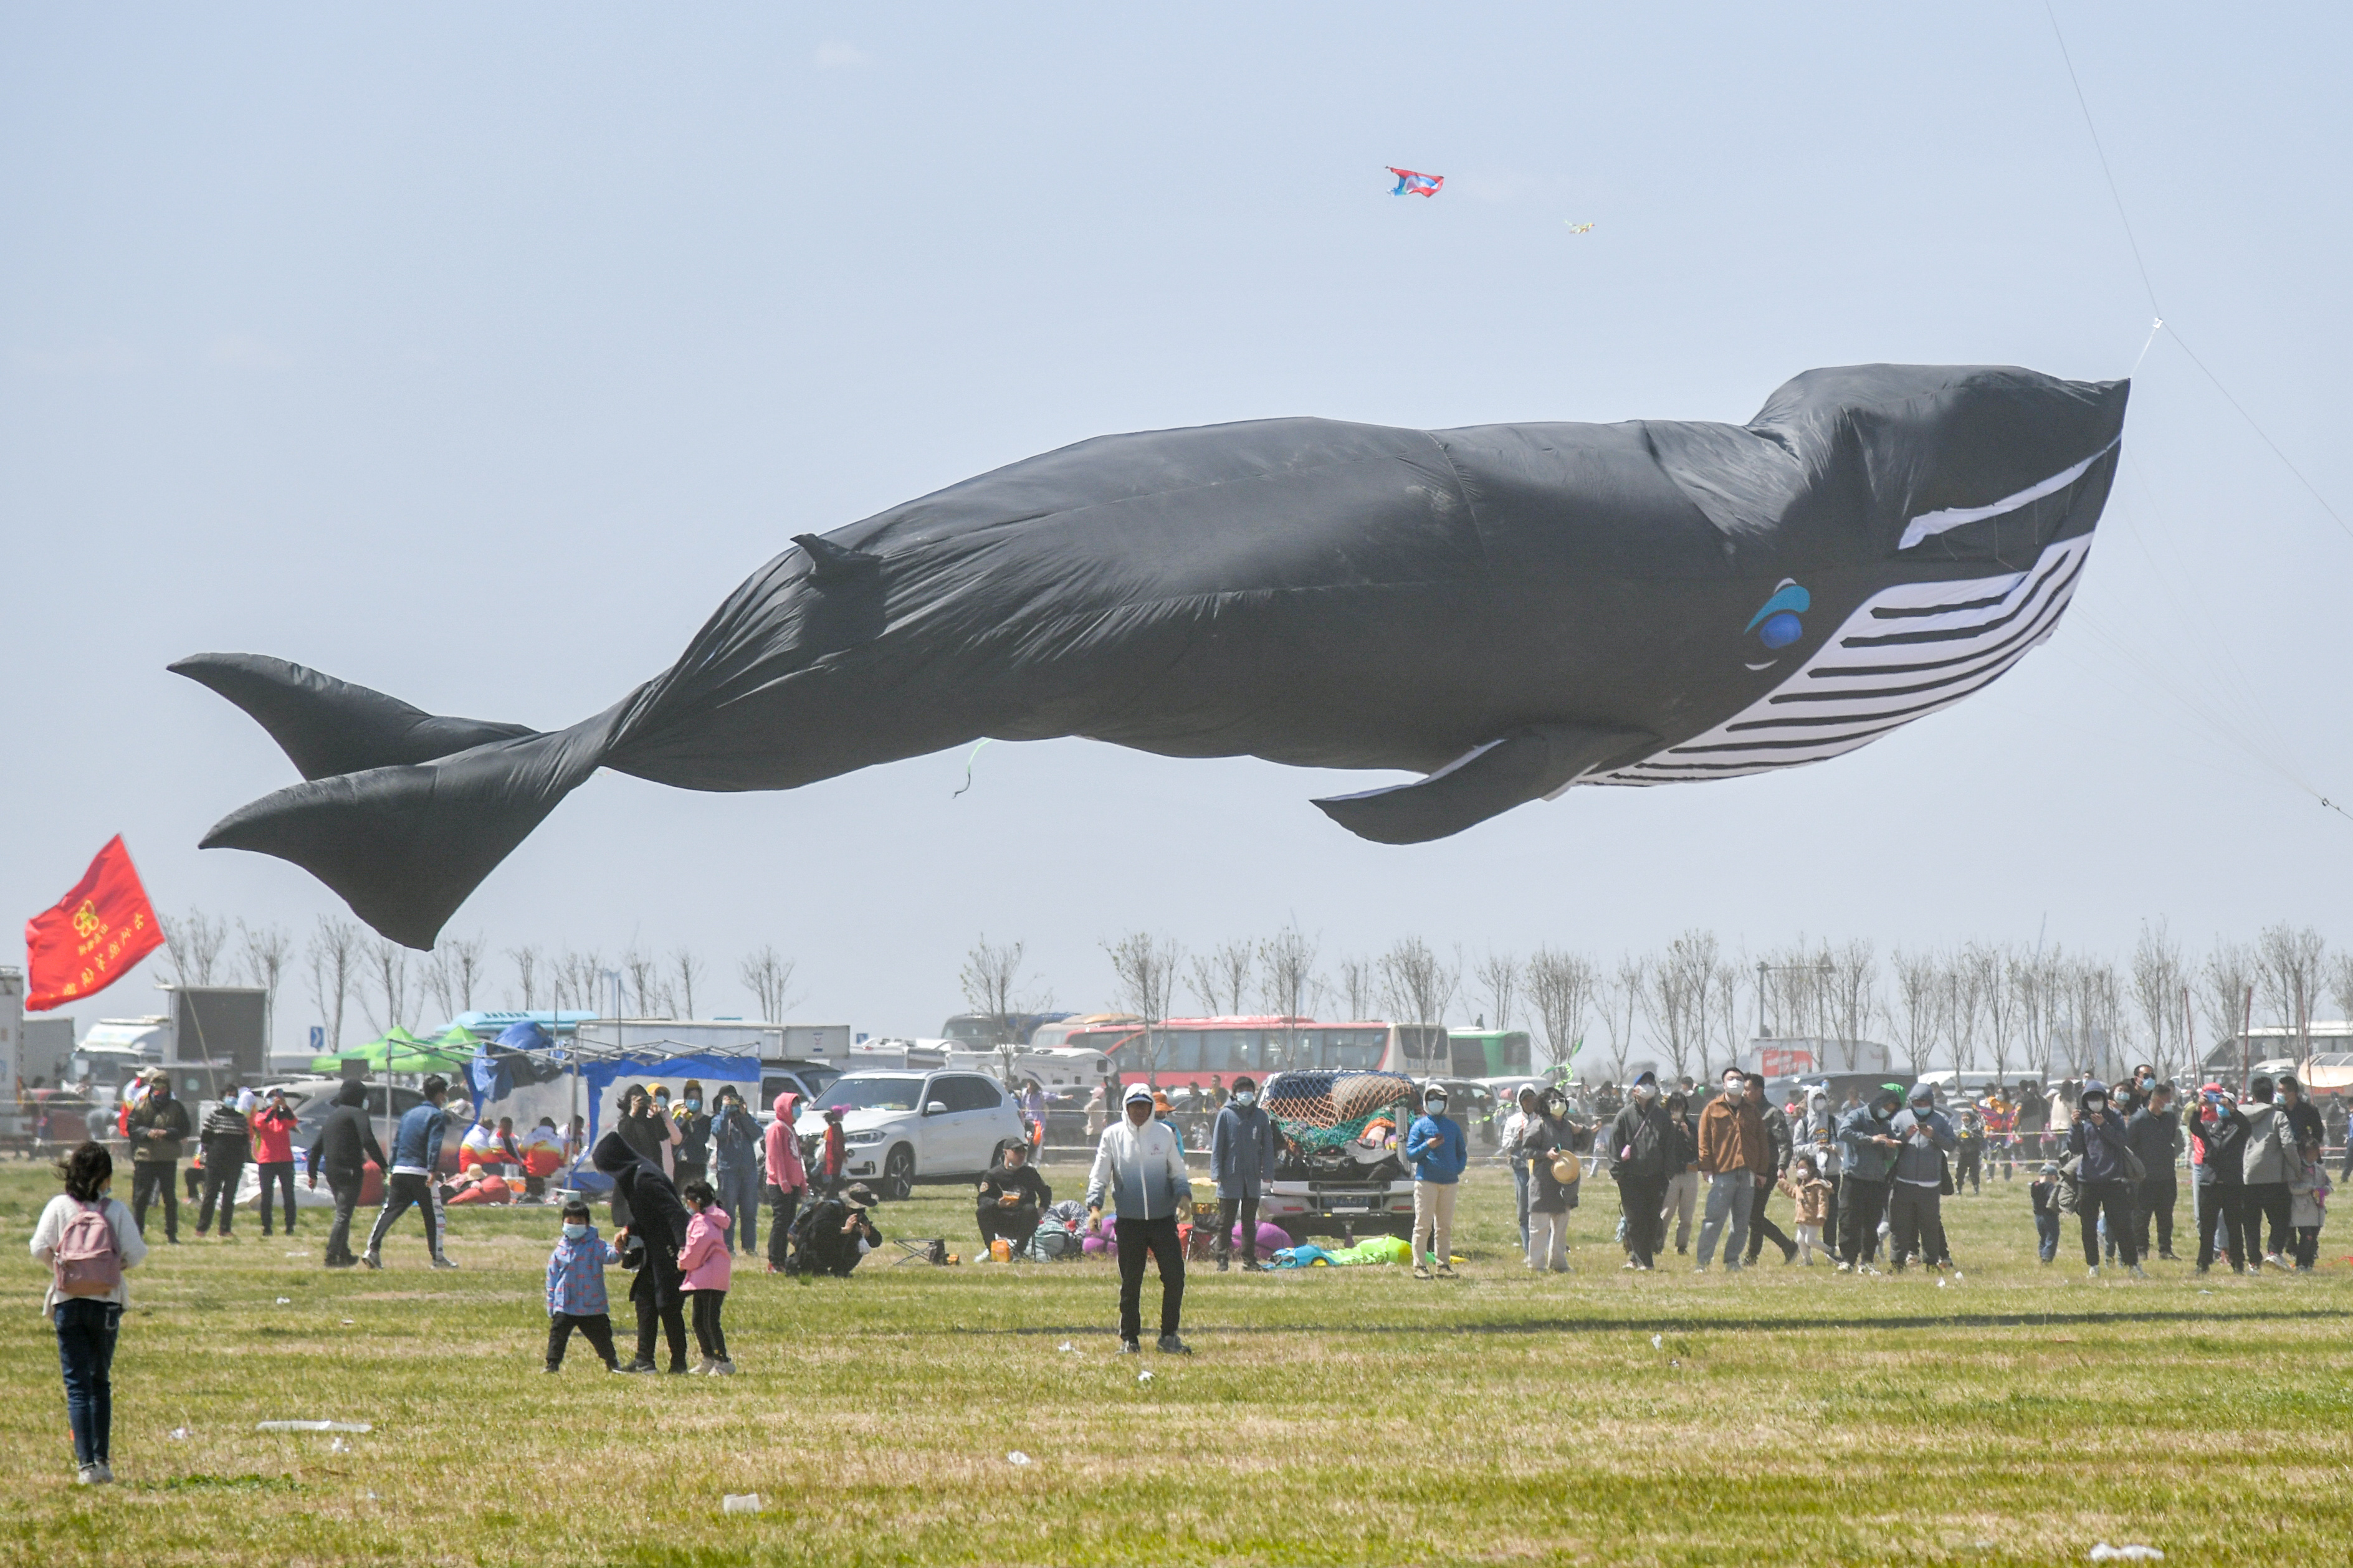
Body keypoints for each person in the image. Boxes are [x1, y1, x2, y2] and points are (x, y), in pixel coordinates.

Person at [31, 1142, 147, 1485]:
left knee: (77, 1384)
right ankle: (103, 1460)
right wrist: (114, 1265)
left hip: (68, 1301)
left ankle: (85, 1466)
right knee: (100, 1381)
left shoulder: (59, 1207)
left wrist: (60, 1267)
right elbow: (137, 1253)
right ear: (104, 1177)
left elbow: (39, 1246)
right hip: (107, 1302)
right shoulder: (116, 1211)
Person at [1086, 1082, 1193, 1352]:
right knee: (1131, 1281)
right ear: (1126, 1107)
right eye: (1134, 1106)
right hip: (1130, 1221)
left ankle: (1169, 1336)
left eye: (1144, 1106)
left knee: (1175, 1277)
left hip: (1163, 1220)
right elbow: (1099, 1175)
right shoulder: (1112, 1136)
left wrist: (1184, 1197)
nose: (1139, 1111)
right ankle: (1129, 1340)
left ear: (1151, 1108)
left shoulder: (1165, 1134)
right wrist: (1095, 1208)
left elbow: (1178, 1172)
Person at [591, 1128, 692, 1373]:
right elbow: (649, 1212)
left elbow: (675, 1213)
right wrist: (629, 1228)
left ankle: (679, 1363)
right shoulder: (636, 1175)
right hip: (653, 1248)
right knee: (645, 1300)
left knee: (667, 1304)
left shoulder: (644, 1177)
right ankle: (644, 1360)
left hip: (668, 1249)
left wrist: (682, 1249)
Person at [363, 1073, 456, 1270]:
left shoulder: (408, 1115)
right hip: (421, 1172)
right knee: (434, 1215)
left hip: (400, 1170)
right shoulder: (437, 1115)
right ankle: (438, 1258)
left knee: (390, 1211)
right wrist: (432, 1169)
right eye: (445, 1093)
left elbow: (397, 1143)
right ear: (440, 1095)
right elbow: (434, 1144)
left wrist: (391, 1167)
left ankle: (372, 1249)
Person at [305, 1080, 385, 1267]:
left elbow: (316, 1148)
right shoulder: (358, 1113)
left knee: (344, 1212)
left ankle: (344, 1253)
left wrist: (312, 1173)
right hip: (350, 1170)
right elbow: (368, 1139)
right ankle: (331, 1256)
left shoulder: (332, 1117)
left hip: (332, 1171)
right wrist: (383, 1165)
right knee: (343, 1215)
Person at [2069, 1079, 2143, 1278]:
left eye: (2098, 1099)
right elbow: (2075, 1148)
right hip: (2088, 1180)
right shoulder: (2083, 1121)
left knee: (2122, 1225)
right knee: (2088, 1227)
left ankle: (2132, 1264)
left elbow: (2121, 1141)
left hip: (2113, 1180)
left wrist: (2103, 1126)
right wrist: (2075, 1126)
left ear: (2104, 1099)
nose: (2095, 1103)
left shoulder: (2115, 1117)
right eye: (2090, 1099)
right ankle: (2093, 1264)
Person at [1692, 1069, 1762, 1272]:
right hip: (1723, 1172)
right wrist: (1705, 1167)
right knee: (1713, 1219)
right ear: (1724, 1084)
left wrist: (1762, 1171)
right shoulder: (1712, 1109)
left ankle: (1732, 1260)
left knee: (1741, 1223)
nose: (1736, 1082)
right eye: (1731, 1079)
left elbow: (1761, 1142)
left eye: (1740, 1079)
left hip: (1747, 1172)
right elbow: (1703, 1140)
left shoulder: (1752, 1111)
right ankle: (1702, 1263)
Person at [543, 1199, 621, 1373]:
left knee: (602, 1336)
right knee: (558, 1335)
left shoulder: (596, 1245)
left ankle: (612, 1361)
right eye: (570, 1222)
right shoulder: (560, 1249)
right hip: (565, 1303)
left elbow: (611, 1257)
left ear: (587, 1224)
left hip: (591, 1304)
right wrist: (552, 1304)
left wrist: (619, 1248)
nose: (574, 1226)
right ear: (563, 1223)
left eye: (579, 1223)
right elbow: (552, 1278)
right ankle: (553, 1363)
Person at [1208, 1075, 1276, 1271]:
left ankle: (1249, 1259)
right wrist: (1216, 1172)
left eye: (1249, 1090)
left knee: (1249, 1222)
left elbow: (1268, 1147)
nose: (1245, 1093)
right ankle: (1222, 1258)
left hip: (1252, 1177)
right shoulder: (1226, 1114)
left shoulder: (1261, 1116)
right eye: (1241, 1090)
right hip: (1230, 1176)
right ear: (1234, 1093)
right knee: (1226, 1221)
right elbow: (1217, 1146)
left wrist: (1268, 1172)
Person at [1835, 1085, 1905, 1274]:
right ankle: (1847, 1260)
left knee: (1871, 1223)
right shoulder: (1858, 1116)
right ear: (1879, 1102)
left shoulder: (1886, 1125)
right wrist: (1870, 1139)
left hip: (1876, 1180)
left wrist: (1891, 1147)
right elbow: (1844, 1133)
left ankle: (1867, 1261)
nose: (1887, 1112)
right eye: (1886, 1107)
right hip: (1854, 1177)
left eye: (1891, 1110)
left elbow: (1889, 1156)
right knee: (1849, 1220)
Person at [1886, 1082, 1956, 1273]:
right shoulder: (1900, 1118)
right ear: (1911, 1102)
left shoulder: (1941, 1120)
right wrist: (1905, 1136)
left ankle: (1932, 1262)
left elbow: (1951, 1145)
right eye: (1917, 1102)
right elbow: (1889, 1143)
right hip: (1903, 1181)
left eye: (1925, 1102)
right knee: (1899, 1225)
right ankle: (1897, 1262)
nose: (1921, 1105)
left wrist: (1935, 1136)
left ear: (1932, 1102)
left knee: (1930, 1225)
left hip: (1930, 1183)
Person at [1608, 1071, 1674, 1271]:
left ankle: (1637, 1258)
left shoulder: (1662, 1117)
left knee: (1652, 1219)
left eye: (1651, 1083)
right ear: (1635, 1090)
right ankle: (1646, 1262)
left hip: (1656, 1177)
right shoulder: (1624, 1116)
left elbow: (1670, 1146)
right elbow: (1615, 1146)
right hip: (1631, 1178)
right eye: (1644, 1083)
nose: (1648, 1086)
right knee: (1635, 1220)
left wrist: (1668, 1173)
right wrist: (1618, 1173)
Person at [1405, 1083, 1468, 1280]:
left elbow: (1462, 1152)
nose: (1436, 1103)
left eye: (1440, 1099)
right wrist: (1427, 1145)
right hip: (1426, 1182)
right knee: (1423, 1225)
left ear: (1446, 1103)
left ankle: (1443, 1265)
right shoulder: (1420, 1126)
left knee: (1444, 1227)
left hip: (1449, 1183)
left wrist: (1457, 1169)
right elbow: (1411, 1154)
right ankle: (1419, 1266)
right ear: (1425, 1102)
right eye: (1431, 1099)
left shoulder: (1452, 1127)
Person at [675, 1178, 735, 1375]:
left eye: (689, 1200)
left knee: (709, 1321)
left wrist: (683, 1262)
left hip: (709, 1277)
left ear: (698, 1201)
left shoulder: (704, 1222)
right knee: (699, 1320)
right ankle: (709, 1357)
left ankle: (722, 1360)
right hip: (707, 1277)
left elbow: (697, 1247)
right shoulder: (710, 1218)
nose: (688, 1204)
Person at [2190, 1085, 2251, 1274]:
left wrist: (2232, 1110)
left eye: (2225, 1102)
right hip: (2211, 1183)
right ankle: (2204, 1262)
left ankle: (2238, 1262)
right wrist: (2197, 1109)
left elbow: (2247, 1127)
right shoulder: (2210, 1126)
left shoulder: (2238, 1129)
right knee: (2207, 1227)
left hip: (2232, 1183)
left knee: (2234, 1226)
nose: (2221, 1105)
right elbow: (2195, 1127)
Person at [125, 1070, 190, 1242]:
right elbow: (132, 1128)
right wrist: (148, 1133)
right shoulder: (142, 1106)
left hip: (167, 1158)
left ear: (167, 1088)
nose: (158, 1091)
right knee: (141, 1198)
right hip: (146, 1157)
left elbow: (184, 1129)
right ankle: (137, 1234)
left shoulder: (176, 1107)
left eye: (161, 1087)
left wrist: (167, 1133)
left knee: (169, 1198)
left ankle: (172, 1234)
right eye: (155, 1087)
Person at [1741, 1071, 1799, 1266]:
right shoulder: (1744, 1111)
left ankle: (1786, 1246)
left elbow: (1785, 1144)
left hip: (1768, 1169)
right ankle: (1753, 1256)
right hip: (1749, 1168)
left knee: (1753, 1214)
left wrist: (1782, 1167)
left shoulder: (1772, 1114)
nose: (1744, 1093)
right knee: (1754, 1215)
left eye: (1748, 1089)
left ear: (1759, 1091)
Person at [2238, 1076, 2295, 1270]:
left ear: (2252, 1096)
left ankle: (2254, 1262)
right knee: (2281, 1218)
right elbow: (2288, 1145)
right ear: (2272, 1096)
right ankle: (2274, 1252)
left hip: (2247, 1177)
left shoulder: (2239, 1115)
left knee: (2251, 1222)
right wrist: (2297, 1168)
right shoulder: (2278, 1116)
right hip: (2274, 1178)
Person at [2125, 1081, 2181, 1262]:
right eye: (2166, 1099)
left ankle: (2165, 1250)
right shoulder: (2138, 1120)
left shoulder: (2170, 1118)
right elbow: (2129, 1146)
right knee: (2142, 1216)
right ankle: (2141, 1250)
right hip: (2144, 1177)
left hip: (2166, 1175)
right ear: (2156, 1100)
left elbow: (2174, 1139)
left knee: (2166, 1216)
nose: (2169, 1102)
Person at [709, 1086, 763, 1257]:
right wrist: (725, 1111)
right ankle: (728, 1247)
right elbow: (719, 1133)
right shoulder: (718, 1118)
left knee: (749, 1211)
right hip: (728, 1170)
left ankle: (749, 1247)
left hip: (748, 1170)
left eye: (734, 1099)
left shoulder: (744, 1118)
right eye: (728, 1099)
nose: (732, 1103)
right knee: (728, 1211)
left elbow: (757, 1133)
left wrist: (744, 1114)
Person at [788, 1182, 883, 1276]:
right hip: (812, 1251)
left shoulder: (857, 1216)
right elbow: (818, 1230)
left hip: (833, 1252)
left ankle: (840, 1271)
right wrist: (844, 1230)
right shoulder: (829, 1208)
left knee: (856, 1239)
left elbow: (876, 1241)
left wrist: (867, 1233)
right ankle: (816, 1268)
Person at [195, 1088, 252, 1239]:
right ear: (223, 1097)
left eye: (234, 1096)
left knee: (229, 1196)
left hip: (234, 1162)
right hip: (215, 1162)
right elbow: (206, 1138)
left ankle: (225, 1228)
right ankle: (202, 1228)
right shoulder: (215, 1116)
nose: (232, 1099)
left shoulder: (241, 1119)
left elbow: (245, 1141)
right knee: (210, 1195)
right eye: (229, 1096)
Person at [977, 1139, 1052, 1255]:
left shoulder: (1030, 1173)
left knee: (1030, 1209)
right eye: (1016, 1151)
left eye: (1024, 1151)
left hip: (1023, 1220)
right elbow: (982, 1199)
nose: (1021, 1155)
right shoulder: (993, 1175)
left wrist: (1042, 1208)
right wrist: (997, 1203)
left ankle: (1019, 1251)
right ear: (1006, 1153)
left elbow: (1046, 1192)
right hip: (1001, 1220)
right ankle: (993, 1251)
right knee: (982, 1211)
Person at [1522, 1105, 1572, 1273]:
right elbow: (1527, 1150)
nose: (1559, 1104)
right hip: (1542, 1181)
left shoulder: (1568, 1126)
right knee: (1539, 1226)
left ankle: (1559, 1263)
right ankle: (1536, 1265)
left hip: (1564, 1182)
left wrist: (1583, 1129)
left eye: (1561, 1100)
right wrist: (1546, 1154)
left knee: (1561, 1227)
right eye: (1553, 1101)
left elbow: (1583, 1141)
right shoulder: (1538, 1125)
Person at [763, 1091, 809, 1273]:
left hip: (793, 1183)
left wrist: (802, 1182)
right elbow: (775, 1157)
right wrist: (782, 1179)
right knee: (780, 1223)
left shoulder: (791, 1129)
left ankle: (782, 1260)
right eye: (793, 1106)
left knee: (789, 1222)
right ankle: (774, 1261)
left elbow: (797, 1159)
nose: (797, 1109)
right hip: (779, 1184)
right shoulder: (777, 1128)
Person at [249, 1088, 300, 1237]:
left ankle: (290, 1226)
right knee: (267, 1195)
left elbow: (293, 1121)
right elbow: (261, 1124)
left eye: (277, 1097)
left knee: (289, 1194)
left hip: (285, 1160)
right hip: (267, 1160)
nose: (275, 1099)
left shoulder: (285, 1116)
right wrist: (273, 1109)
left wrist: (284, 1107)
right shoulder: (261, 1114)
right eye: (272, 1097)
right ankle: (267, 1227)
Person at [1502, 1085, 1544, 1251]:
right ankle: (1528, 1249)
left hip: (1540, 1168)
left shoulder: (1542, 1119)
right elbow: (1505, 1144)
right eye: (1525, 1100)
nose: (1528, 1103)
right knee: (1523, 1209)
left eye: (1531, 1099)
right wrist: (1517, 1138)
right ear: (1520, 1101)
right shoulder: (1512, 1121)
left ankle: (1543, 1247)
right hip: (1520, 1168)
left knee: (1541, 1208)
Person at [1659, 1090, 1701, 1256]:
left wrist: (1687, 1134)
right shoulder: (1664, 1125)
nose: (1677, 1111)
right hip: (1671, 1174)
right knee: (1666, 1212)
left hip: (1690, 1172)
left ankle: (1682, 1245)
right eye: (1674, 1107)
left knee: (1687, 1214)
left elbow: (1698, 1147)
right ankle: (1658, 1243)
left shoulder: (1691, 1126)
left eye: (1680, 1107)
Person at [2286, 1134, 2328, 1272]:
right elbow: (2293, 1188)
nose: (2314, 1157)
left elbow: (2329, 1184)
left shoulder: (2320, 1169)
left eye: (2316, 1154)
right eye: (2311, 1154)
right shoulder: (2297, 1169)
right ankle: (2301, 1264)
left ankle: (2310, 1263)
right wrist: (2310, 1188)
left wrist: (2325, 1190)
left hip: (2318, 1210)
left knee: (2314, 1238)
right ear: (2303, 1153)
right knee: (2307, 1236)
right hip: (2302, 1210)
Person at [1780, 1154, 1832, 1265]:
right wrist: (1782, 1183)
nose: (1800, 1171)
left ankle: (1830, 1250)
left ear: (1812, 1168)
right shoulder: (1800, 1185)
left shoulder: (1818, 1185)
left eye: (1803, 1168)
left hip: (1814, 1218)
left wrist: (1822, 1215)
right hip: (1802, 1218)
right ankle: (1807, 1261)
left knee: (1810, 1241)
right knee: (1800, 1240)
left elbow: (1823, 1201)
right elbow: (1793, 1193)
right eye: (1798, 1168)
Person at [672, 1081, 713, 1189]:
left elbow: (701, 1139)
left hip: (697, 1164)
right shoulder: (679, 1117)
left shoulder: (706, 1120)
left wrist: (693, 1121)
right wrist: (682, 1120)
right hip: (679, 1163)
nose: (694, 1101)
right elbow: (673, 1136)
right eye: (691, 1098)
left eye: (697, 1099)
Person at [2030, 1162, 2063, 1264]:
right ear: (2053, 1177)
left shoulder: (2034, 1186)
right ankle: (2047, 1258)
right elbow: (2053, 1197)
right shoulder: (2050, 1187)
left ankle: (2042, 1254)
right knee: (2052, 1237)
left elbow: (2037, 1189)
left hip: (2038, 1217)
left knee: (2043, 1237)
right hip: (2050, 1216)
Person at [1953, 1103, 1985, 1195]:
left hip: (1974, 1154)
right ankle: (1959, 1189)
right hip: (1963, 1154)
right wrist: (1957, 1138)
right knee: (1960, 1173)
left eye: (1967, 1116)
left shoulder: (1976, 1127)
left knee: (1974, 1173)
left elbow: (1980, 1140)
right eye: (1964, 1116)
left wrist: (1972, 1135)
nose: (1965, 1118)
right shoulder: (1960, 1128)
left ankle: (1976, 1189)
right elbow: (1956, 1142)